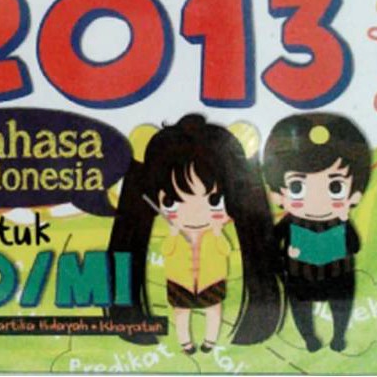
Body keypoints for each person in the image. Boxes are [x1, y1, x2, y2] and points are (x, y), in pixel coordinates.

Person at [108, 113, 282, 352]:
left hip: (212, 281)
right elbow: (168, 249)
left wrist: (218, 232)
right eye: (171, 201)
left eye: (215, 200)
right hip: (179, 282)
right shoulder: (170, 233)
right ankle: (186, 343)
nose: (195, 214)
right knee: (181, 312)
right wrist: (174, 233)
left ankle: (209, 341)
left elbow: (224, 249)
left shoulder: (220, 232)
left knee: (213, 310)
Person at [263, 112, 371, 353]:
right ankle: (309, 338)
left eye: (335, 186)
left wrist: (344, 219)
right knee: (301, 308)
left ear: (354, 194)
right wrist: (284, 254)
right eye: (297, 186)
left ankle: (339, 336)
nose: (317, 200)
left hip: (338, 276)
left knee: (341, 306)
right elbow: (271, 243)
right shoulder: (290, 221)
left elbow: (355, 246)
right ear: (278, 195)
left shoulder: (341, 220)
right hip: (299, 277)